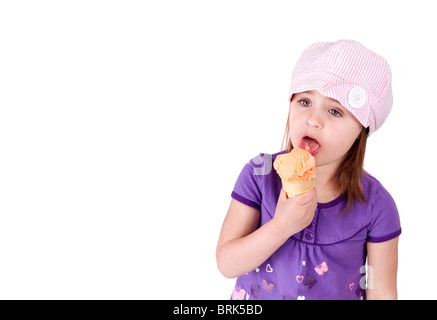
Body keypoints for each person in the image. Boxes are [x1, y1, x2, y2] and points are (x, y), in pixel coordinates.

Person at [216, 40, 401, 300]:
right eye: (304, 102)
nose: (313, 119)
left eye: (335, 111)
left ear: (362, 130)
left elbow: (381, 292)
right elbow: (227, 263)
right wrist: (280, 226)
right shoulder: (259, 174)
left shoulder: (376, 205)